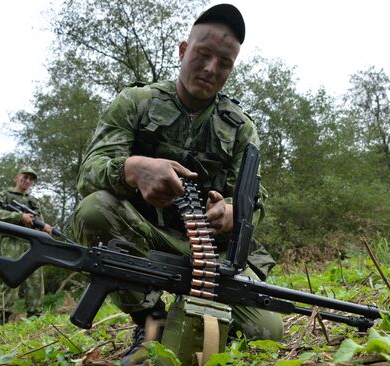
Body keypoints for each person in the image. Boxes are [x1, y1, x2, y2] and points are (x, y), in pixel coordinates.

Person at [72, 2, 284, 359]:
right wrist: (135, 169)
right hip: (143, 234)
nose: (211, 68)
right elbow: (89, 173)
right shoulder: (135, 103)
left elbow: (254, 202)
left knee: (266, 331)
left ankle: (191, 315)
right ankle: (149, 321)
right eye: (202, 54)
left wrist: (233, 213)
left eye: (225, 63)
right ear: (183, 50)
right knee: (93, 211)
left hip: (205, 252)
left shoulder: (240, 128)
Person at [0, 166, 52, 321]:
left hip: (31, 242)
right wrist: (18, 216)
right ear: (17, 177)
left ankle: (35, 316)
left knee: (35, 278)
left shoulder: (33, 200)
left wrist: (45, 228)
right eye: (25, 177)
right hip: (12, 240)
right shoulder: (5, 195)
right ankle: (3, 317)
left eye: (31, 179)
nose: (27, 181)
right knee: (11, 274)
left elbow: (39, 221)